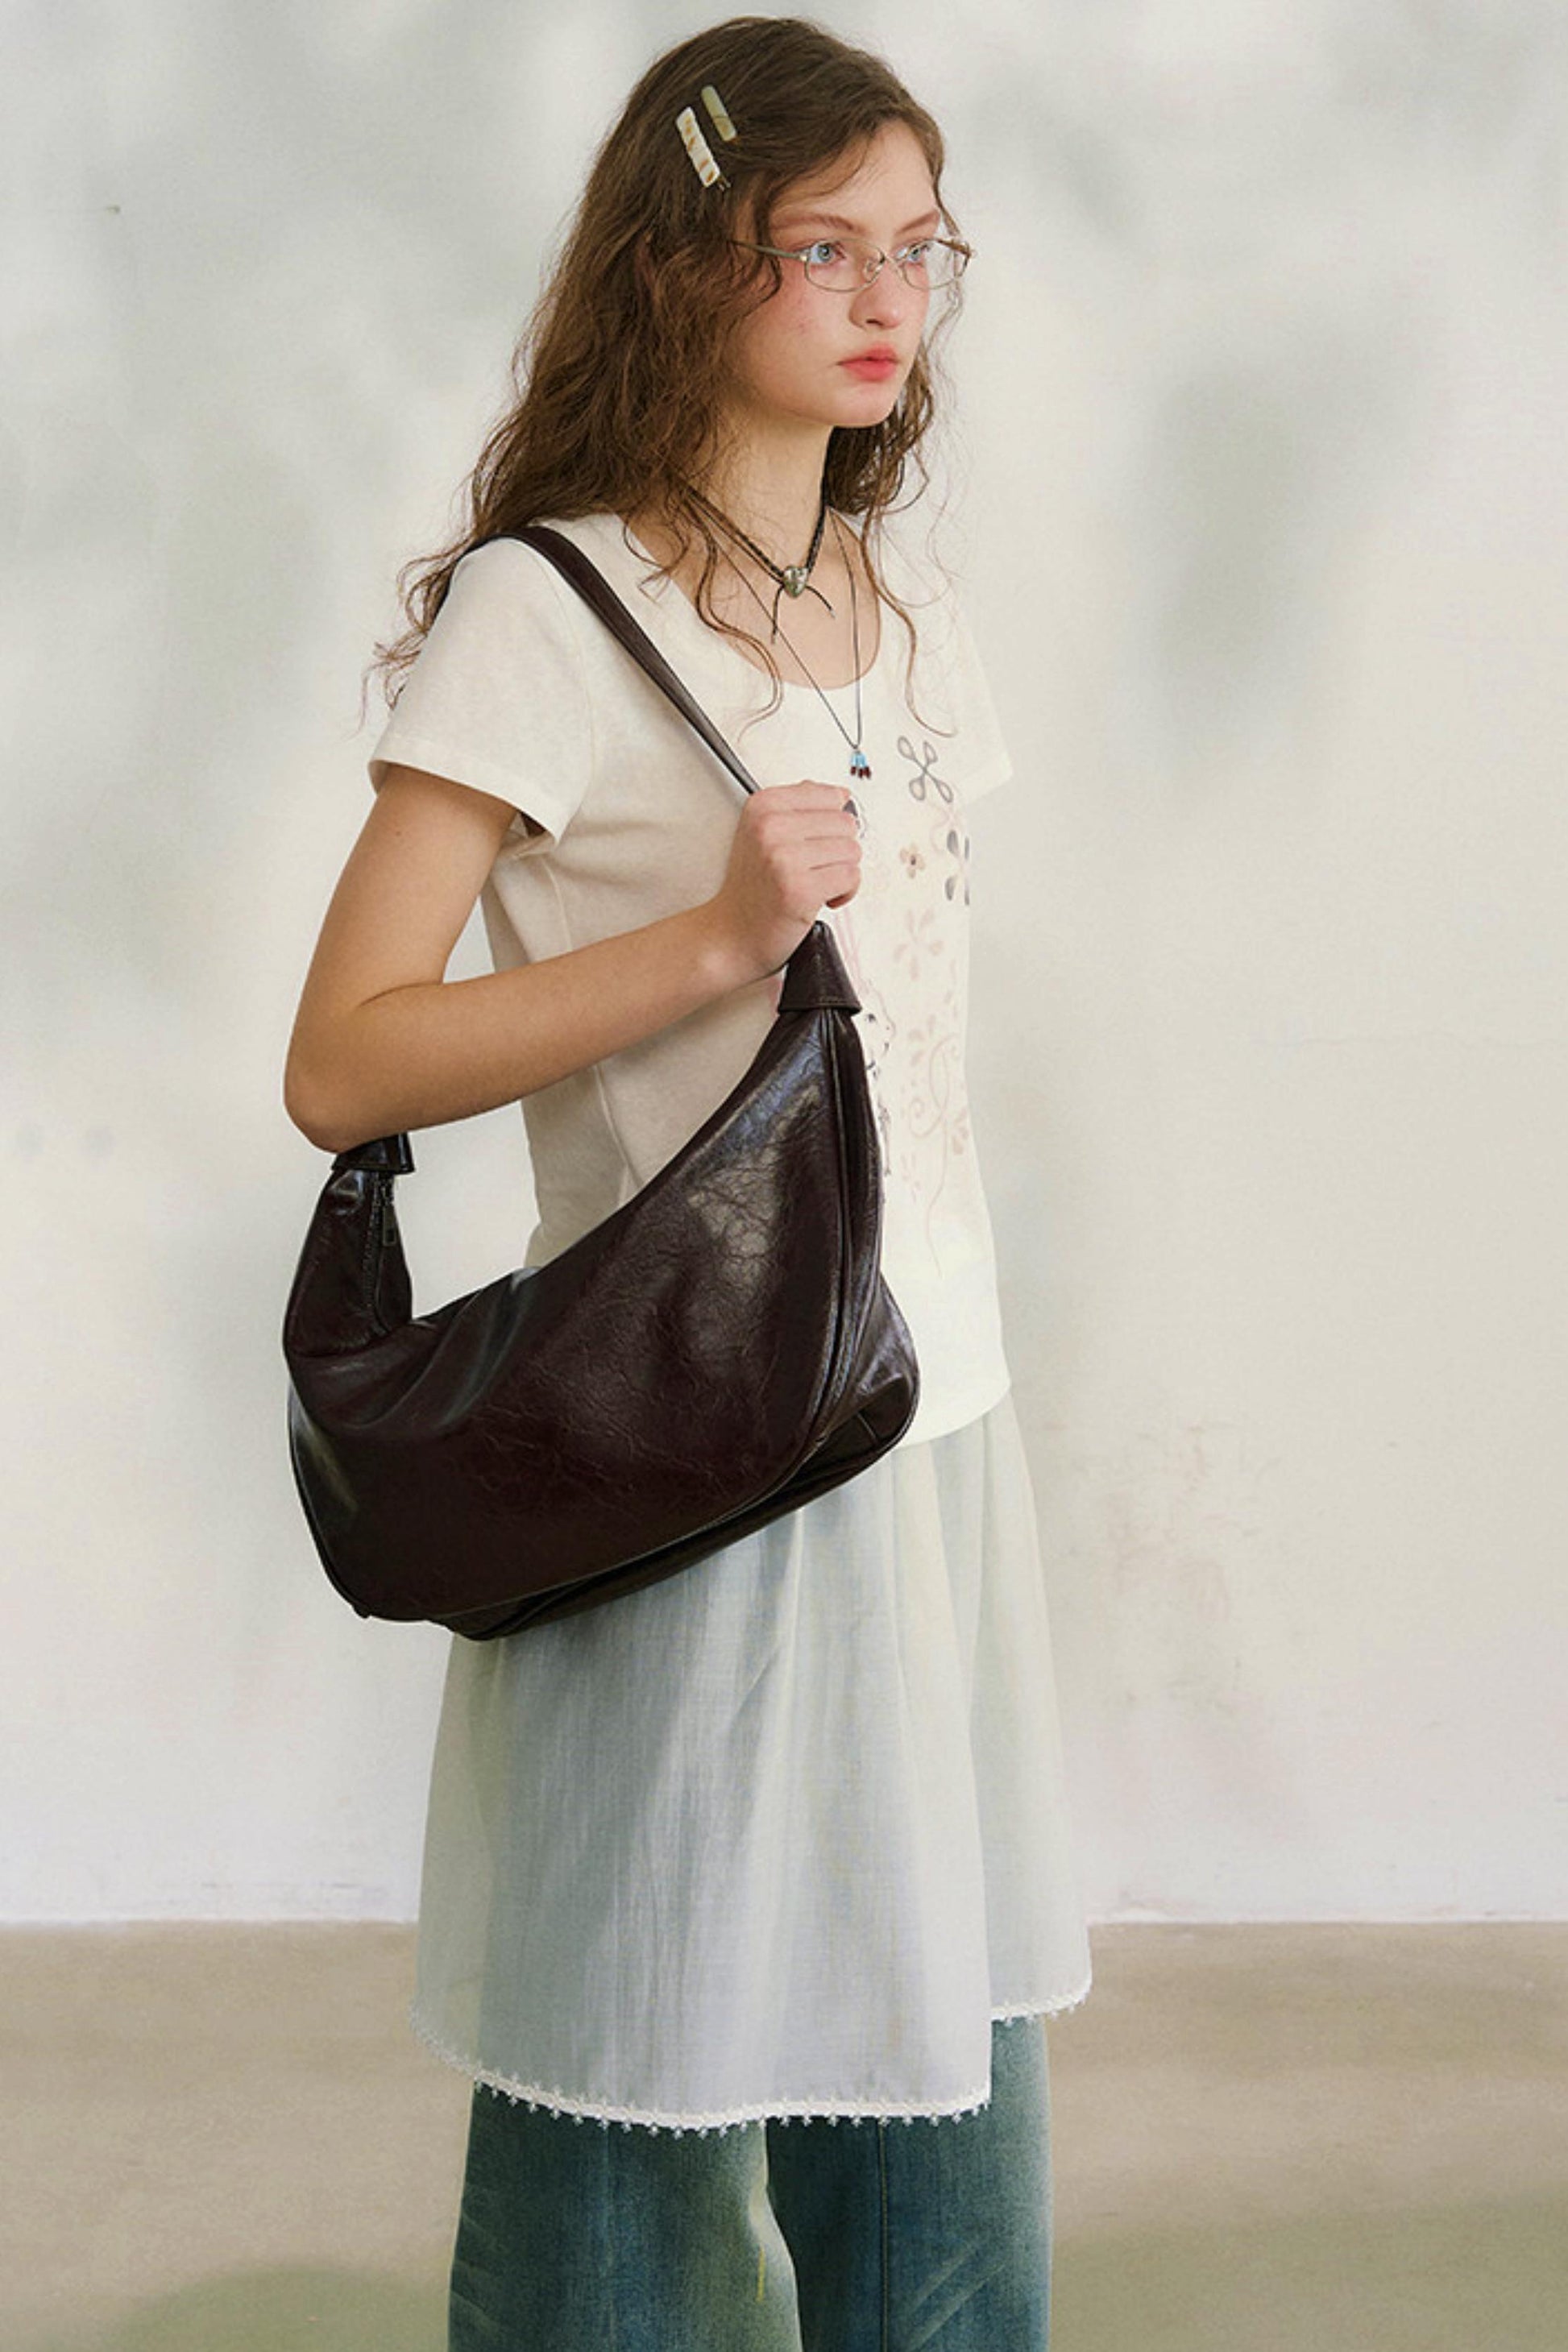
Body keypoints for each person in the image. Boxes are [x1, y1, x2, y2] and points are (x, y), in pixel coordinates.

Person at [284, 16, 1092, 2348]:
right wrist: (714, 942)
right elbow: (343, 1060)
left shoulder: (904, 616)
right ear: (681, 262)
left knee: (935, 2080)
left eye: (918, 247)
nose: (885, 296)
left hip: (927, 1423)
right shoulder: (545, 613)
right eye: (819, 246)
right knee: (631, 2093)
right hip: (690, 1442)